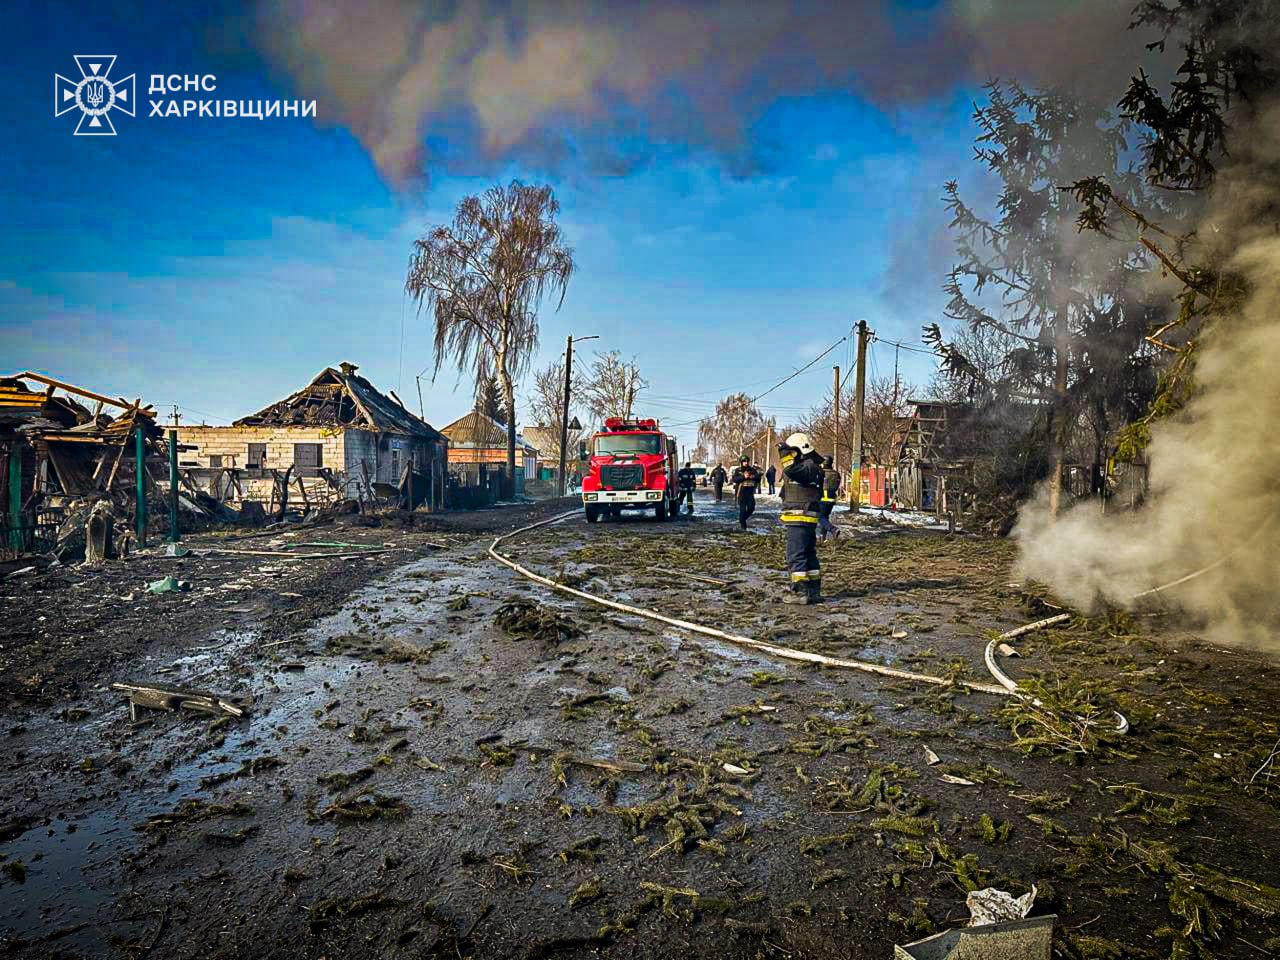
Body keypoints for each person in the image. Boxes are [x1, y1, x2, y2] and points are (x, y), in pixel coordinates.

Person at [777, 432, 826, 604]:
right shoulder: (811, 467)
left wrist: (783, 452)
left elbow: (790, 469)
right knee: (808, 554)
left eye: (793, 452)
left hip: (799, 516)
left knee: (796, 555)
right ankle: (813, 591)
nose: (791, 455)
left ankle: (800, 593)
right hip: (805, 517)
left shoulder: (807, 467)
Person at [730, 455, 761, 529]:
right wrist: (744, 477)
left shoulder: (752, 470)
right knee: (742, 509)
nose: (746, 463)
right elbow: (734, 479)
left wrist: (752, 477)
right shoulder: (738, 470)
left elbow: (758, 478)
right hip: (741, 492)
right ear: (741, 462)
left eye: (747, 461)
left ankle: (742, 519)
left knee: (751, 508)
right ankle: (743, 526)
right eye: (744, 461)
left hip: (750, 492)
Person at [818, 455, 842, 541]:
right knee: (825, 517)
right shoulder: (836, 474)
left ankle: (833, 530)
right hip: (832, 499)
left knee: (819, 517)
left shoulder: (821, 472)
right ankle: (822, 536)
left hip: (822, 498)